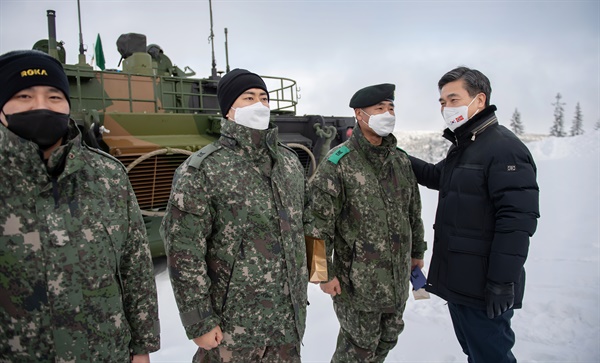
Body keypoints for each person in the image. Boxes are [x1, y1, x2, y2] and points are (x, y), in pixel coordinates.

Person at [0, 50, 160, 362]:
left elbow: (135, 267)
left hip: (106, 351)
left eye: (54, 96)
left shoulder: (108, 175)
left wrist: (142, 346)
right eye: (23, 96)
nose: (41, 106)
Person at [160, 68, 310, 363]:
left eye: (264, 98)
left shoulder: (289, 163)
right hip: (233, 328)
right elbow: (184, 251)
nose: (259, 104)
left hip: (286, 324)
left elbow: (306, 224)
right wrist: (199, 321)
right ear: (228, 110)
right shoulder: (202, 169)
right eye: (248, 97)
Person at [408, 66, 540, 362]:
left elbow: (517, 222)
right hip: (462, 280)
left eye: (453, 99)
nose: (446, 108)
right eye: (442, 102)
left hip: (484, 285)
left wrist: (501, 282)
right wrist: (399, 157)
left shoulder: (503, 149)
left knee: (491, 356)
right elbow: (437, 176)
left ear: (479, 100)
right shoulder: (468, 145)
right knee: (475, 352)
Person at [308, 83, 426, 362]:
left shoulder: (400, 161)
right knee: (357, 351)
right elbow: (315, 224)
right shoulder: (338, 163)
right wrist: (321, 273)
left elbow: (413, 211)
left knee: (388, 339)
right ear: (359, 115)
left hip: (396, 280)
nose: (387, 113)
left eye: (391, 107)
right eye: (379, 108)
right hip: (357, 285)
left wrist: (417, 253)